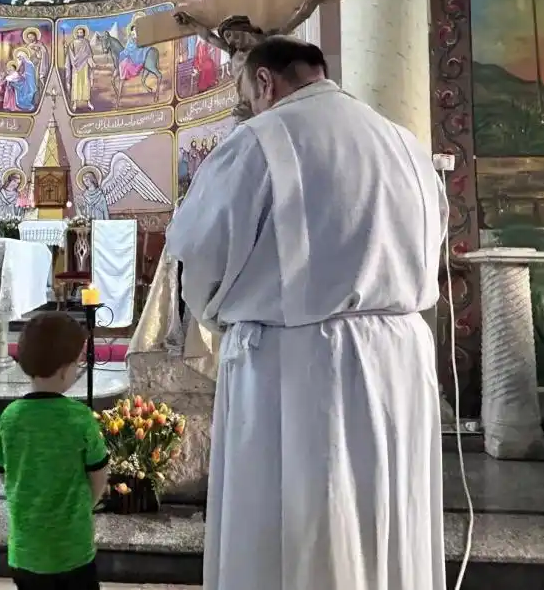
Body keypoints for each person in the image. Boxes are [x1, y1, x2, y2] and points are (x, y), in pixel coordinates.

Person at [167, 36, 448, 590]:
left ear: (266, 82)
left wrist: (217, 312)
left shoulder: (262, 139)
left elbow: (201, 251)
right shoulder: (405, 143)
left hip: (297, 366)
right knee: (387, 515)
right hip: (400, 357)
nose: (248, 106)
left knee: (304, 525)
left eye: (248, 93)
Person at [0, 312, 109, 590]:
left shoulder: (10, 417)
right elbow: (99, 474)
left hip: (25, 550)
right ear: (65, 370)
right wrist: (84, 506)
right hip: (72, 549)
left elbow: (2, 471)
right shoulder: (79, 417)